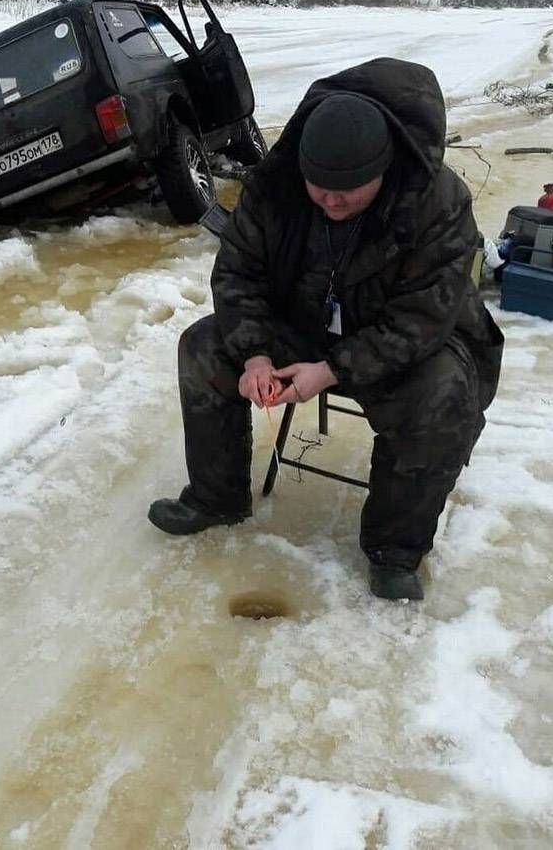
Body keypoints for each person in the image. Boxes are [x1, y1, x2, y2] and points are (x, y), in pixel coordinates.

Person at [148, 57, 503, 601]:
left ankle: (394, 549)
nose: (332, 200)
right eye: (320, 187)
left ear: (385, 169)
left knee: (443, 395)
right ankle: (215, 498)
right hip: (304, 323)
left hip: (402, 344)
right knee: (202, 346)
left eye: (350, 190)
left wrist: (332, 370)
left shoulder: (438, 201)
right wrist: (255, 356)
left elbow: (422, 320)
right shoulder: (276, 184)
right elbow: (239, 271)